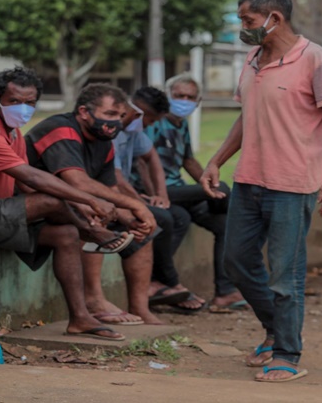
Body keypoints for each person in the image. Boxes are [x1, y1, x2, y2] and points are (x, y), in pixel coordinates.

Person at [200, 0, 322, 382]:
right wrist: (216, 160)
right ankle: (275, 329)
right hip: (249, 180)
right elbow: (245, 116)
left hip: (293, 184)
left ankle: (286, 352)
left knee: (286, 274)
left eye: (248, 20)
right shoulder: (253, 58)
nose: (243, 27)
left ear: (275, 19)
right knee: (235, 261)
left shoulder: (315, 59)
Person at [0, 67, 133, 341]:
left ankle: (80, 318)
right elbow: (30, 177)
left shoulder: (13, 134)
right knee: (53, 201)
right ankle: (92, 231)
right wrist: (87, 200)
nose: (23, 108)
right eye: (14, 101)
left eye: (30, 102)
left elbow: (25, 187)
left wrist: (78, 205)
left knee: (65, 234)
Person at [25, 83, 164, 325]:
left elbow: (109, 192)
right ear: (84, 112)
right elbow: (77, 182)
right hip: (33, 206)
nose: (117, 122)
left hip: (70, 206)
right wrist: (137, 205)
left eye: (121, 116)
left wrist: (132, 219)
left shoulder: (104, 143)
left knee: (138, 229)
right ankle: (94, 298)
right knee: (92, 215)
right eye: (109, 114)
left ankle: (141, 308)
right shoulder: (60, 129)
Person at [137, 73, 248, 313]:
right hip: (160, 191)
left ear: (198, 102)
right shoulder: (155, 121)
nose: (183, 101)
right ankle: (159, 282)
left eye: (189, 97)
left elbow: (188, 160)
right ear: (167, 96)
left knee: (223, 223)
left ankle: (225, 292)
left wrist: (206, 183)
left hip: (177, 189)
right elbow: (141, 161)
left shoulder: (182, 125)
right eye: (178, 96)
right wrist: (156, 194)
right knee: (224, 192)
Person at [111, 86, 200, 313]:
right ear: (139, 112)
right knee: (162, 218)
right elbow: (117, 179)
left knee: (179, 216)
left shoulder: (135, 131)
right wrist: (138, 202)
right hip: (109, 198)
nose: (150, 126)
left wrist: (161, 194)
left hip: (126, 196)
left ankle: (159, 281)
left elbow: (151, 158)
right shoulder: (114, 131)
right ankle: (167, 282)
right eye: (150, 121)